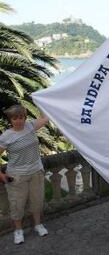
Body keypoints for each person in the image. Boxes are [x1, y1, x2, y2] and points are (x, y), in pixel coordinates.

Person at [0, 104, 49, 245]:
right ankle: (18, 231)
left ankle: (38, 225)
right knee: (17, 205)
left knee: (37, 201)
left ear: (25, 117)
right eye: (15, 118)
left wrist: (39, 101)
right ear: (10, 120)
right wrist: (1, 175)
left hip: (36, 172)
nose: (19, 121)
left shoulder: (30, 126)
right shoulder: (6, 136)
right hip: (17, 177)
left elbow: (45, 118)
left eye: (21, 117)